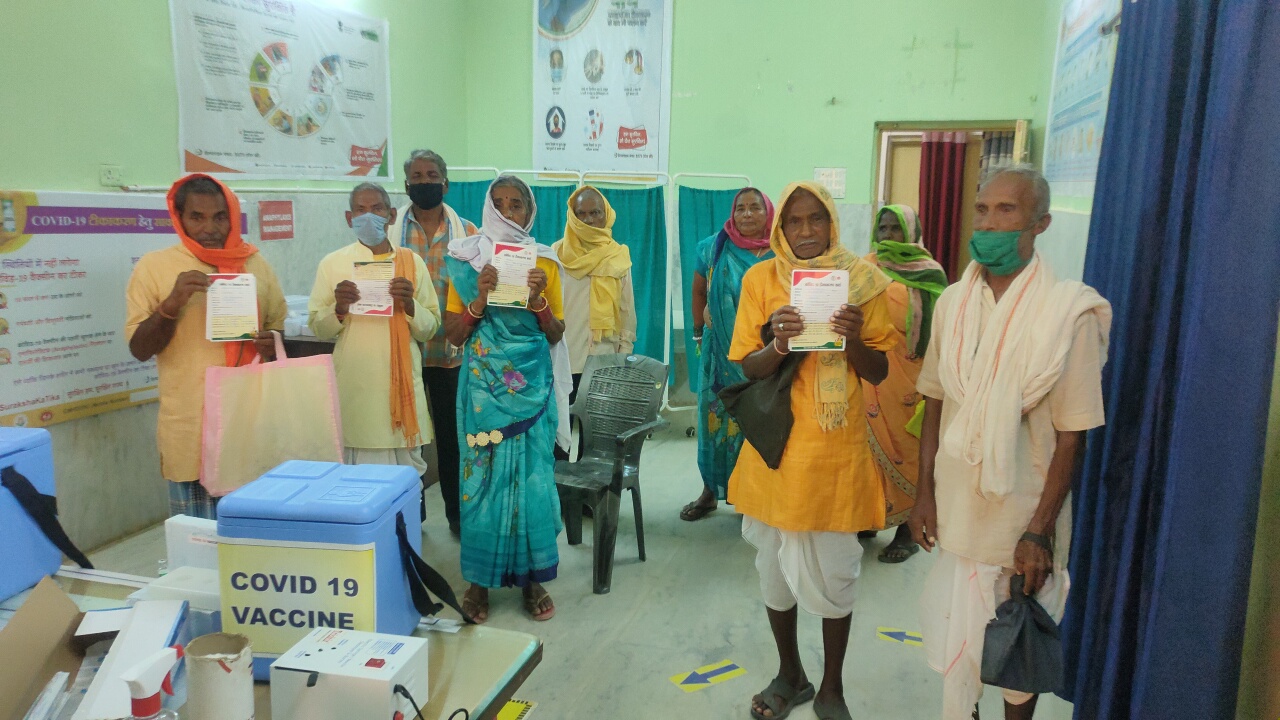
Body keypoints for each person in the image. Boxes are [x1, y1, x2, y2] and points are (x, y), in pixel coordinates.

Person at [910, 166, 1110, 720]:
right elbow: (935, 402)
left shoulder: (1068, 315)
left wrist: (1040, 532)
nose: (990, 223)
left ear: (1040, 224)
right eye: (982, 210)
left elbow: (1073, 437)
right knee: (960, 643)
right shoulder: (952, 303)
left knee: (1015, 654)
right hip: (957, 509)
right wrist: (922, 494)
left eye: (1008, 212)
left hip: (1023, 517)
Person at [730, 182, 896, 720]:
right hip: (775, 451)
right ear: (781, 228)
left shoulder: (865, 281)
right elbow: (746, 366)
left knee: (835, 572)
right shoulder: (762, 278)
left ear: (832, 224)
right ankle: (790, 673)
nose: (805, 231)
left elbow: (880, 370)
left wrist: (850, 341)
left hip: (834, 454)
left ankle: (832, 688)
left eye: (816, 220)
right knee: (773, 569)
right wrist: (778, 343)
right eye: (795, 221)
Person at [125, 174, 287, 519]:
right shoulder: (155, 267)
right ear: (179, 218)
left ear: (232, 216)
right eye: (196, 217)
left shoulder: (256, 265)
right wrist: (171, 304)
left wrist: (269, 343)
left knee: (254, 532)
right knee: (199, 544)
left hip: (250, 421)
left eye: (219, 216)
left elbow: (278, 329)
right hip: (192, 423)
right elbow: (139, 349)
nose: (209, 228)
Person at [444, 176, 567, 624]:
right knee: (482, 482)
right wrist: (480, 298)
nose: (507, 212)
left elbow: (555, 334)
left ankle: (533, 578)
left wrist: (537, 302)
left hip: (532, 385)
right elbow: (454, 335)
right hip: (482, 389)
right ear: (487, 208)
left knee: (533, 481)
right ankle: (479, 581)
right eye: (499, 204)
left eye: (517, 205)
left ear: (529, 212)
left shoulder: (545, 262)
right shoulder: (465, 258)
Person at [308, 183, 441, 477]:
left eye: (377, 209)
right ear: (348, 217)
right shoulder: (333, 264)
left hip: (402, 387)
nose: (369, 216)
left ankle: (408, 525)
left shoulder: (411, 262)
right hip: (357, 388)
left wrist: (409, 305)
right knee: (360, 482)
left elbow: (430, 328)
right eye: (360, 210)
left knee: (406, 481)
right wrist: (339, 309)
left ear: (391, 215)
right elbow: (318, 328)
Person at [388, 149, 478, 537]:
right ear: (407, 184)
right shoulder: (390, 231)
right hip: (402, 352)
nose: (424, 182)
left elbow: (478, 292)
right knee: (407, 440)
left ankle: (458, 517)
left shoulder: (469, 232)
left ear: (446, 182)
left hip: (451, 355)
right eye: (417, 176)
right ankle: (414, 516)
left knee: (452, 441)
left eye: (432, 175)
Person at [856, 205, 948, 562]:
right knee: (867, 450)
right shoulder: (863, 267)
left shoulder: (930, 273)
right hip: (870, 373)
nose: (889, 235)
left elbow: (940, 330)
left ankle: (906, 532)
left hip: (913, 377)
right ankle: (871, 516)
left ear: (912, 232)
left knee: (906, 449)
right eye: (884, 228)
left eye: (897, 228)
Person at [679, 187, 775, 521]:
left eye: (755, 208)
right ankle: (710, 491)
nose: (747, 215)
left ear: (769, 212)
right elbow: (697, 289)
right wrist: (696, 327)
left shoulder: (781, 252)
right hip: (719, 353)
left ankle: (755, 495)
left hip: (766, 357)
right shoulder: (712, 247)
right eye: (741, 209)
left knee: (761, 422)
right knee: (715, 422)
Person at [551, 185, 637, 459]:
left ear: (606, 215)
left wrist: (622, 359)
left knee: (597, 447)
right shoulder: (556, 254)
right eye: (581, 214)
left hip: (603, 363)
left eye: (595, 213)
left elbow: (627, 313)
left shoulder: (618, 255)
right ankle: (561, 499)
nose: (588, 220)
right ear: (572, 216)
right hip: (563, 362)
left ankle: (590, 503)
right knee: (559, 442)